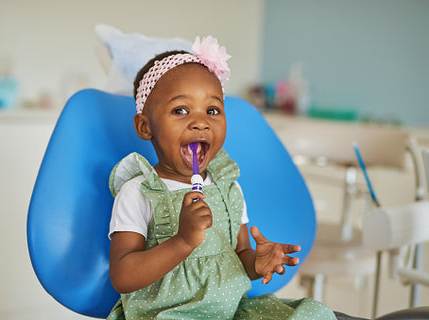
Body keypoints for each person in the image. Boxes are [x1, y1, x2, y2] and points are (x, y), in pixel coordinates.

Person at [107, 36, 336, 319]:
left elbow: (240, 254)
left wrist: (257, 262)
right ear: (145, 127)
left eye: (212, 110)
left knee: (311, 315)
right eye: (180, 110)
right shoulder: (140, 191)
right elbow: (123, 276)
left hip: (231, 312)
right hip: (168, 314)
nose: (201, 121)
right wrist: (183, 241)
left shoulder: (229, 188)